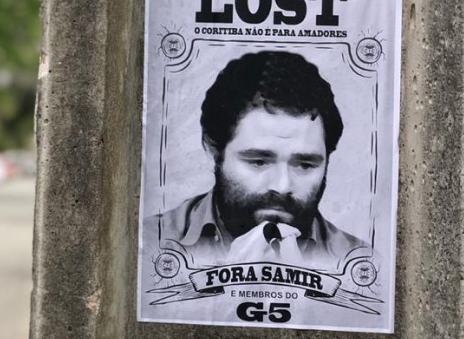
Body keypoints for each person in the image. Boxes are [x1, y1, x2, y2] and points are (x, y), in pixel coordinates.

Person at [145, 50, 367, 269]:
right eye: (259, 161)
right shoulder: (149, 247)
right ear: (213, 150)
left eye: (304, 165)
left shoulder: (359, 263)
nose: (282, 186)